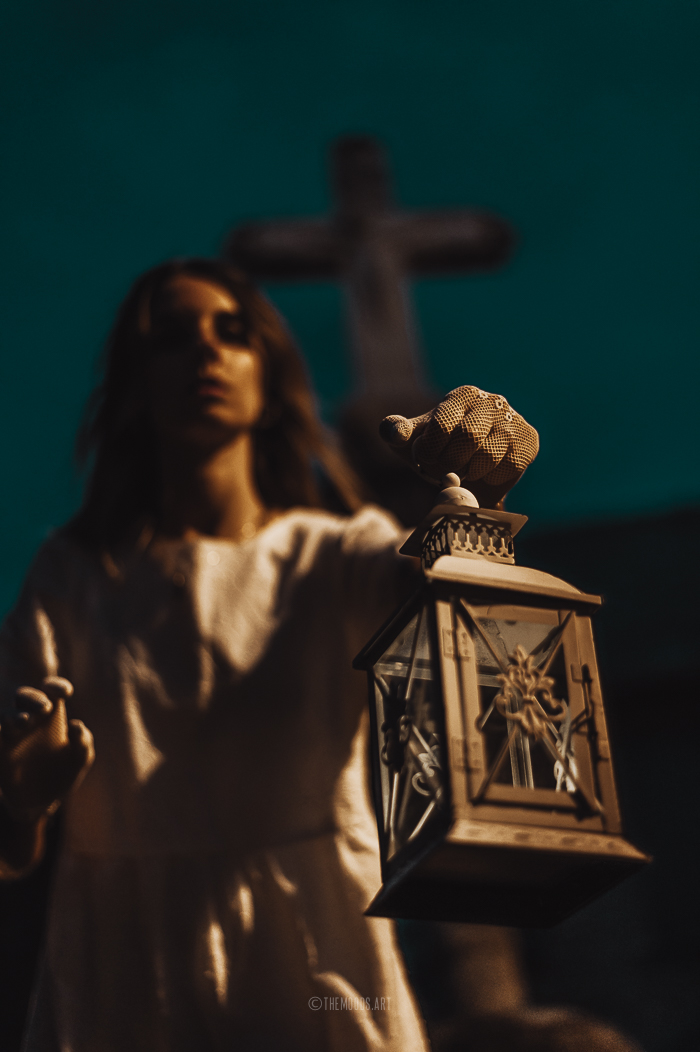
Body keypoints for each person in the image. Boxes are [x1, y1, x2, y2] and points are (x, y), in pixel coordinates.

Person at [0, 258, 538, 1052]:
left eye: (232, 332)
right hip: (125, 961)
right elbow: (11, 847)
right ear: (135, 382)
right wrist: (19, 799)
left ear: (269, 373)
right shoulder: (73, 578)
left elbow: (458, 613)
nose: (206, 352)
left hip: (317, 944)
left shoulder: (334, 556)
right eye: (172, 337)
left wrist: (481, 500)